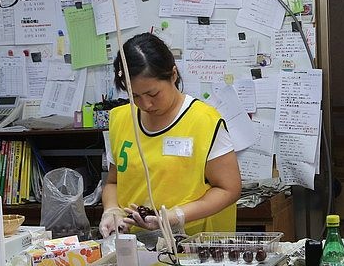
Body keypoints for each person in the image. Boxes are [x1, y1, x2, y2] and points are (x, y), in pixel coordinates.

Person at [99, 33, 241, 237]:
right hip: (135, 243)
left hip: (193, 244)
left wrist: (176, 216)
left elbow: (229, 189)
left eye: (153, 94)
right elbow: (113, 182)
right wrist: (112, 210)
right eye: (135, 96)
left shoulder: (203, 121)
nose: (145, 104)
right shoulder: (120, 119)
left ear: (173, 74)